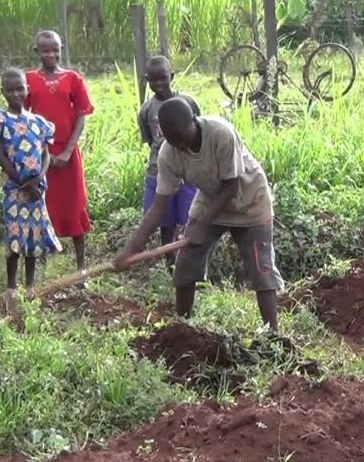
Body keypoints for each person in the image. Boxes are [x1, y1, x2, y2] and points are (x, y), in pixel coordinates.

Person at [114, 98, 283, 330]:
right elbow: (158, 208)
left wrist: (201, 225)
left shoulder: (220, 133)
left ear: (194, 120)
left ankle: (273, 334)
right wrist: (130, 250)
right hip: (211, 197)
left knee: (260, 268)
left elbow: (231, 186)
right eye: (174, 141)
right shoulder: (168, 153)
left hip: (250, 200)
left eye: (184, 138)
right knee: (185, 265)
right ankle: (183, 328)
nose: (181, 146)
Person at [0, 68, 62, 294]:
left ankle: (29, 285)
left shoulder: (39, 122)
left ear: (27, 90)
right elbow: (0, 156)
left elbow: (45, 154)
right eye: (10, 90)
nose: (16, 93)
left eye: (20, 88)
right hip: (14, 188)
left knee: (33, 235)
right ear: (3, 92)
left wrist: (38, 178)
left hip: (37, 188)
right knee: (15, 233)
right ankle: (11, 286)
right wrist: (21, 181)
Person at [25, 30, 94, 272]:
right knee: (43, 205)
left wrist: (66, 152)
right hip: (39, 153)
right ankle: (41, 265)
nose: (51, 54)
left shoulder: (73, 79)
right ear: (37, 52)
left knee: (74, 205)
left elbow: (81, 116)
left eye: (56, 49)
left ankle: (81, 267)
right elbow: (23, 118)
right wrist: (40, 152)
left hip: (67, 153)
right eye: (45, 50)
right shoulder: (28, 80)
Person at [138, 55, 200, 268]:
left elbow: (198, 131)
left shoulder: (188, 102)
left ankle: (189, 261)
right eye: (153, 81)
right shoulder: (146, 110)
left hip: (188, 170)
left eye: (163, 79)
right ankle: (169, 263)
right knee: (165, 219)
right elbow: (150, 142)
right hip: (159, 170)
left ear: (171, 76)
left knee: (189, 217)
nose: (159, 85)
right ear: (147, 80)